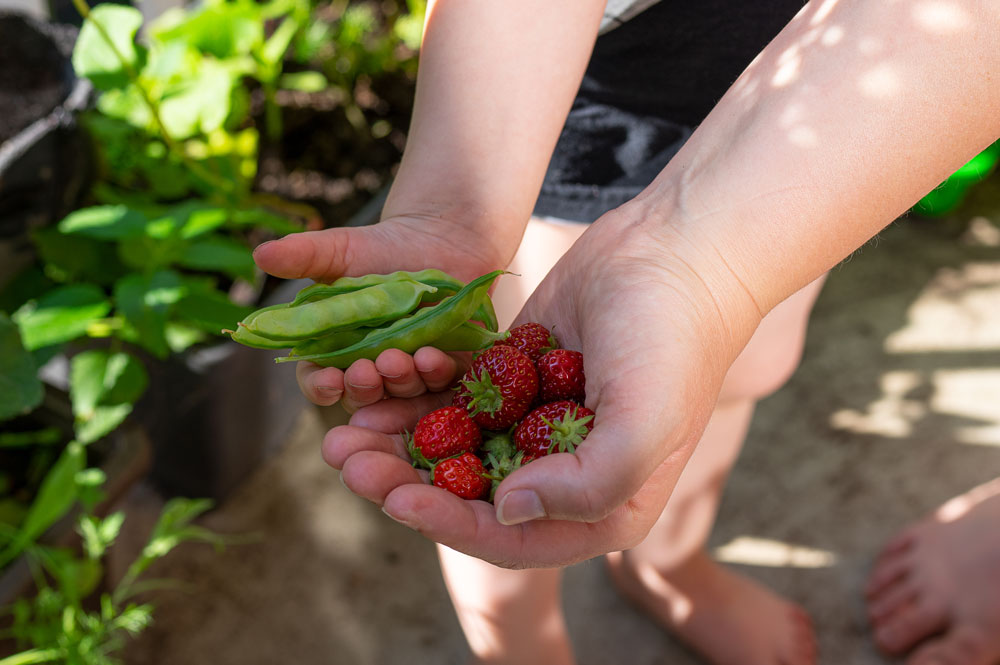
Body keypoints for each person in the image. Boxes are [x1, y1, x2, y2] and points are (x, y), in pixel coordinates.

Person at [252, 1, 1000, 663]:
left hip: (827, 140)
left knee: (735, 367)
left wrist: (705, 282)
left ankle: (667, 563)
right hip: (558, 123)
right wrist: (460, 198)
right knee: (505, 468)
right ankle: (520, 647)